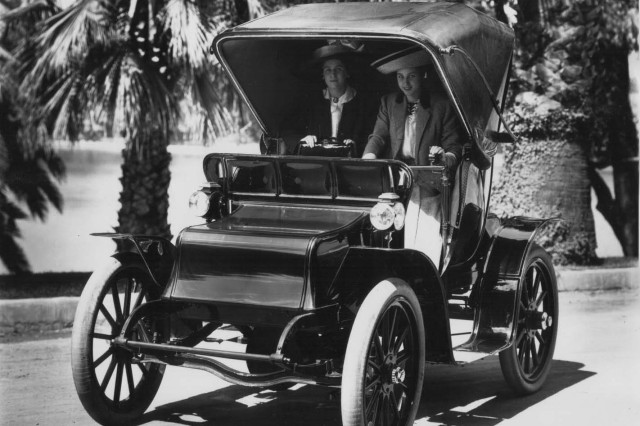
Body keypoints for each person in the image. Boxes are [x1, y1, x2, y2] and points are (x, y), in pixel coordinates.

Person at [363, 46, 464, 266]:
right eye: (400, 77)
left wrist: (443, 157)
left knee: (425, 237)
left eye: (411, 76)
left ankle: (424, 273)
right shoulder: (389, 103)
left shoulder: (442, 105)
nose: (405, 83)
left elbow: (454, 147)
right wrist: (369, 156)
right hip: (396, 181)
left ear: (423, 75)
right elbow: (378, 137)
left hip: (428, 182)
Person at [286, 40, 377, 157]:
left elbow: (373, 137)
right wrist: (302, 139)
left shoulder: (365, 103)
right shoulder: (310, 101)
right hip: (317, 166)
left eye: (338, 69)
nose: (332, 75)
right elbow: (288, 130)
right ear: (322, 75)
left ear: (347, 72)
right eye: (328, 70)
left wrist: (356, 145)